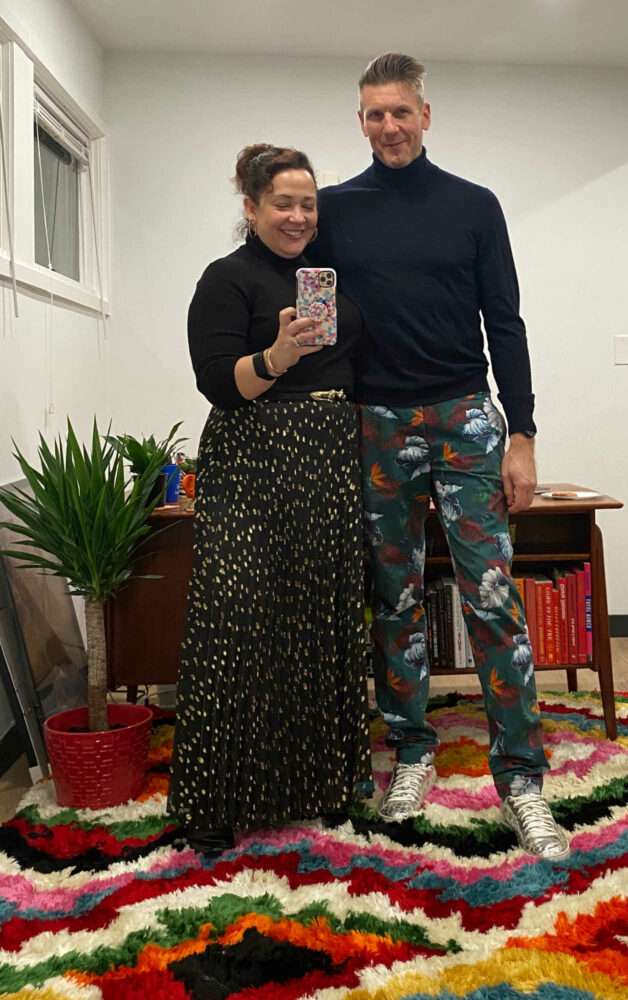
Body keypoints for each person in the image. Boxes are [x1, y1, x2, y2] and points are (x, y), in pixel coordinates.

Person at [313, 54, 569, 860]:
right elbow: (312, 313)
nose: (387, 125)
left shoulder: (473, 205)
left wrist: (521, 434)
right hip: (376, 424)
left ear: (426, 114)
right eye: (372, 114)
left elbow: (508, 321)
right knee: (393, 600)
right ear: (360, 121)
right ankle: (413, 755)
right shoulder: (334, 211)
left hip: (465, 419)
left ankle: (522, 780)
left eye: (400, 111)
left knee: (490, 599)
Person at [168, 144, 371, 854]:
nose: (297, 215)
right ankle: (214, 802)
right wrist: (278, 357)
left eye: (307, 203)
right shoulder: (226, 279)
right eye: (282, 202)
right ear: (250, 207)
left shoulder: (327, 278)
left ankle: (322, 782)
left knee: (319, 618)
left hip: (327, 457)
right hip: (252, 458)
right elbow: (219, 384)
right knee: (237, 626)